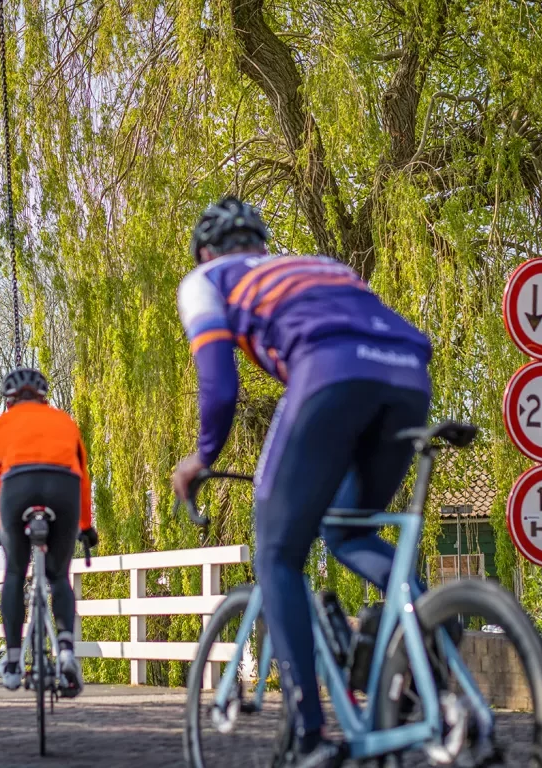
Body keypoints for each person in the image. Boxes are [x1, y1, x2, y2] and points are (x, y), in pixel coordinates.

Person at [170, 197, 432, 768]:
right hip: (410, 371)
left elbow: (218, 384)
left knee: (277, 555)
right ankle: (427, 647)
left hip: (330, 372)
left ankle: (310, 735)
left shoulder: (204, 279)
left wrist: (201, 457)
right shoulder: (320, 266)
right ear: (262, 245)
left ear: (206, 251)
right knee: (348, 530)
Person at [0, 367, 98, 697]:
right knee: (59, 576)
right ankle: (67, 652)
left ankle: (15, 662)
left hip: (17, 487)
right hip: (64, 487)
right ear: (43, 397)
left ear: (10, 399)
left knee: (15, 573)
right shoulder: (65, 422)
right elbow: (84, 476)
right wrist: (86, 527)